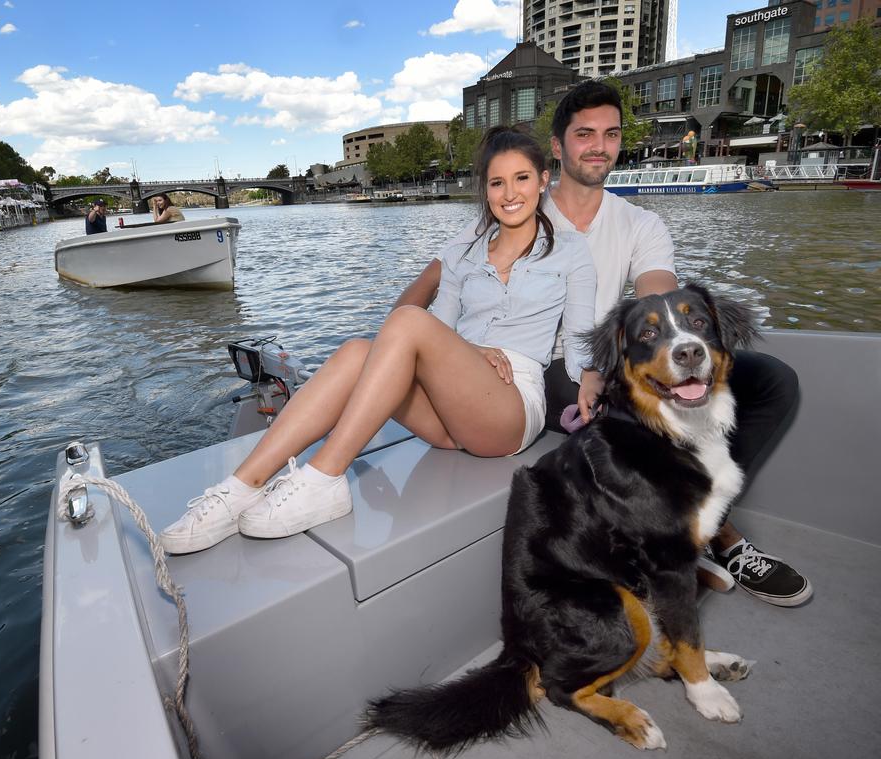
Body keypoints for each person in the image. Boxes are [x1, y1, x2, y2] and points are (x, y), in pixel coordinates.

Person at [395, 80, 811, 608]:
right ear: (557, 146)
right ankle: (713, 541)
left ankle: (700, 524)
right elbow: (436, 277)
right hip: (545, 365)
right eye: (584, 133)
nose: (598, 146)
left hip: (616, 358)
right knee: (627, 417)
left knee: (773, 380)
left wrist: (671, 353)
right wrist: (405, 330)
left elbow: (656, 292)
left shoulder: (639, 222)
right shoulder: (518, 201)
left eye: (610, 134)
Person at [158, 126, 599, 554]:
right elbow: (441, 330)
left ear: (544, 179)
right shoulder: (462, 253)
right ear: (484, 189)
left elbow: (581, 338)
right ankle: (240, 488)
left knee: (406, 319)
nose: (509, 193)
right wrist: (469, 352)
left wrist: (593, 380)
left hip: (509, 407)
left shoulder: (571, 250)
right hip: (448, 409)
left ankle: (325, 478)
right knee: (356, 351)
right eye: (497, 182)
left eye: (521, 178)